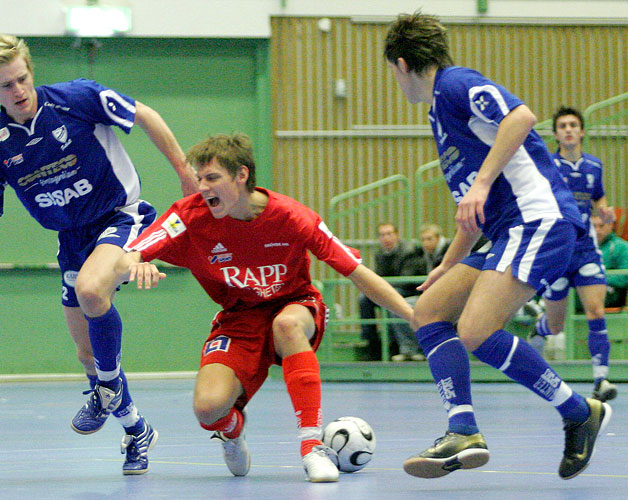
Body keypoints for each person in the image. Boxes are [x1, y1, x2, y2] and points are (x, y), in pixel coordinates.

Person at [0, 34, 198, 475]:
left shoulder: (77, 98)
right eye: (6, 85)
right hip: (71, 239)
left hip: (121, 216)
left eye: (22, 78)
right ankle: (137, 430)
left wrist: (184, 171)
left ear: (31, 72)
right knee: (86, 353)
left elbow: (145, 116)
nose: (18, 90)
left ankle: (107, 387)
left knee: (91, 290)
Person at [384, 12, 611, 480]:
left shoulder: (454, 85)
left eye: (392, 72)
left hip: (540, 217)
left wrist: (483, 181)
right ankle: (463, 429)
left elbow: (521, 117)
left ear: (402, 64)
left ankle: (576, 411)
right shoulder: (439, 117)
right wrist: (447, 266)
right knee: (428, 310)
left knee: (477, 330)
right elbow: (472, 212)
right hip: (507, 228)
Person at [114, 133, 414, 482]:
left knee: (286, 326)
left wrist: (412, 316)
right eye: (199, 179)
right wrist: (137, 263)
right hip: (239, 316)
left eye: (212, 178)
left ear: (241, 176)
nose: (203, 187)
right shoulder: (189, 215)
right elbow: (127, 254)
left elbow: (357, 272)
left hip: (294, 303)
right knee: (208, 409)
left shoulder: (292, 217)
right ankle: (231, 429)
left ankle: (311, 447)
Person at [528, 107, 617, 402]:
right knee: (556, 325)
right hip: (556, 250)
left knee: (596, 310)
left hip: (585, 250)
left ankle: (601, 380)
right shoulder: (547, 165)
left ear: (581, 132)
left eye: (573, 125)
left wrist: (603, 211)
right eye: (562, 126)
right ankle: (538, 329)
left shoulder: (594, 165)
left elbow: (598, 197)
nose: (568, 130)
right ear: (555, 134)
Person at [358, 223, 423, 361]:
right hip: (391, 288)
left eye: (389, 234)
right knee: (364, 299)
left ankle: (393, 345)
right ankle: (372, 343)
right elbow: (377, 277)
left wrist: (382, 287)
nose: (386, 238)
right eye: (382, 235)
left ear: (396, 235)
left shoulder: (409, 251)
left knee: (387, 298)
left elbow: (406, 280)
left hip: (408, 290)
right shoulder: (380, 254)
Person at [592, 215, 628, 308]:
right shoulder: (581, 248)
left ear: (610, 225)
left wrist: (596, 279)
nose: (597, 231)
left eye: (601, 226)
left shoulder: (622, 247)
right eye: (593, 226)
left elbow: (624, 276)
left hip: (612, 293)